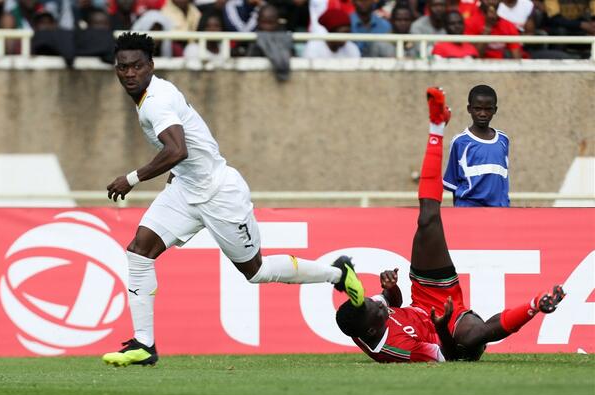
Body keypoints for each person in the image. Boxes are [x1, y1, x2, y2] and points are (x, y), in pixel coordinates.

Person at [102, 32, 362, 367]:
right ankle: (143, 344)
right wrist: (177, 176)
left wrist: (131, 179)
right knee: (139, 252)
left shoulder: (156, 100)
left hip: (219, 194)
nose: (129, 73)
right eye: (123, 67)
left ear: (150, 66)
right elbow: (190, 147)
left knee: (256, 272)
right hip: (185, 189)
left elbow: (177, 150)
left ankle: (338, 274)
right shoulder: (154, 94)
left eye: (137, 66)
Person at [334, 87, 565, 363]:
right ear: (373, 329)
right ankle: (536, 304)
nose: (378, 302)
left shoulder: (365, 315)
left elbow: (392, 302)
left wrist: (391, 289)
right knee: (474, 337)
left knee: (427, 219)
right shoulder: (396, 350)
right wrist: (442, 327)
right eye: (377, 309)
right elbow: (449, 356)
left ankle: (437, 125)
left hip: (426, 297)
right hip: (450, 332)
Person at [443, 85, 510, 207]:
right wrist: (457, 213)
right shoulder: (460, 142)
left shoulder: (503, 139)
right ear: (469, 109)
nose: (483, 114)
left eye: (488, 109)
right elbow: (453, 184)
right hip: (468, 210)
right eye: (478, 109)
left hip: (500, 210)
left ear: (495, 110)